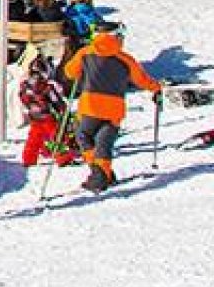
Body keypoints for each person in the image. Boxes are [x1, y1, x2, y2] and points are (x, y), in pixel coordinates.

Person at [63, 30, 161, 192]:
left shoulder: (85, 53)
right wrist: (156, 88)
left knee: (84, 136)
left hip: (90, 106)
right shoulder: (125, 59)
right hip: (114, 108)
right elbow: (141, 80)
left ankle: (99, 174)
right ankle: (103, 173)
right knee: (104, 142)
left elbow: (69, 72)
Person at [19, 53, 75, 168]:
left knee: (34, 139)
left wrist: (30, 108)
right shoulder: (46, 86)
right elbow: (56, 100)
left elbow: (22, 98)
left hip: (34, 116)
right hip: (47, 117)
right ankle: (63, 159)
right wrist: (63, 110)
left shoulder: (25, 86)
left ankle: (28, 159)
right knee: (58, 137)